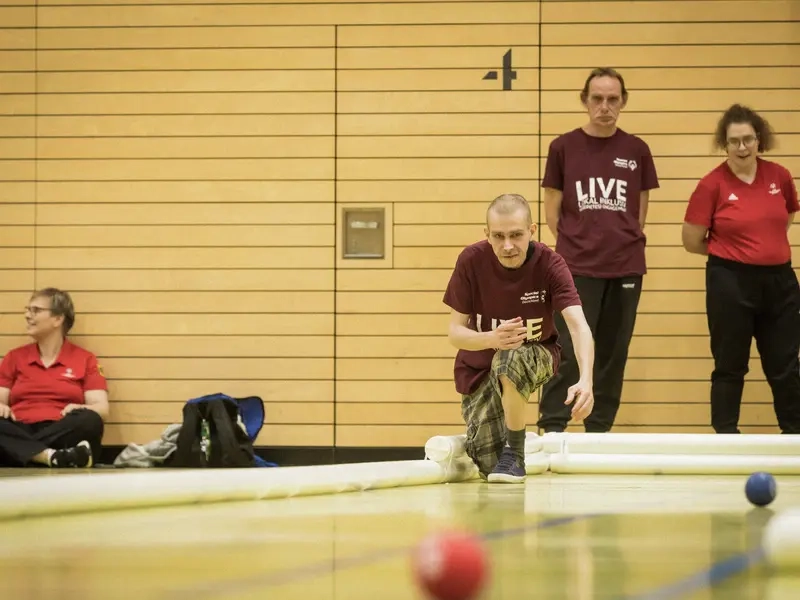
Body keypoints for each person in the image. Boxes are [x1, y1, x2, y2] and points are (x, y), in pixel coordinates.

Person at [537, 67, 660, 434]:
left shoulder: (637, 150)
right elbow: (552, 211)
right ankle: (552, 426)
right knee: (567, 349)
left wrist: (620, 241)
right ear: (585, 101)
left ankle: (600, 431)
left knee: (611, 354)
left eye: (612, 99)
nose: (605, 106)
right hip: (576, 267)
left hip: (625, 267)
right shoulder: (562, 147)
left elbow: (639, 210)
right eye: (597, 99)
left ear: (622, 102)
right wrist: (579, 246)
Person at [442, 194, 595, 483]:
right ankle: (509, 450)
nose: (507, 245)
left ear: (532, 231)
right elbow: (455, 333)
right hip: (481, 363)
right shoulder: (471, 261)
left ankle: (516, 452)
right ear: (487, 234)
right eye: (498, 236)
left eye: (516, 235)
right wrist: (492, 338)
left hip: (536, 353)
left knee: (509, 358)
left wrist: (586, 378)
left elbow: (578, 326)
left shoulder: (551, 264)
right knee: (488, 463)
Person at [682, 103, 800, 434]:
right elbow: (691, 240)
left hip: (780, 283)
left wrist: (760, 248)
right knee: (730, 366)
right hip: (729, 282)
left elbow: (784, 219)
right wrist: (731, 251)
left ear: (759, 139)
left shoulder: (780, 176)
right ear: (725, 144)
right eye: (734, 141)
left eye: (748, 139)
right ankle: (726, 438)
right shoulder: (711, 185)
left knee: (786, 366)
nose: (742, 147)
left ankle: (795, 437)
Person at [0, 287, 109, 467]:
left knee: (90, 419)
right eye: (27, 310)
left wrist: (80, 407)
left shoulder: (85, 358)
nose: (28, 315)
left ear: (58, 319)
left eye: (36, 310)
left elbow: (102, 409)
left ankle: (28, 453)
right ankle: (55, 457)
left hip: (62, 429)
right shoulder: (14, 357)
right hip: (20, 427)